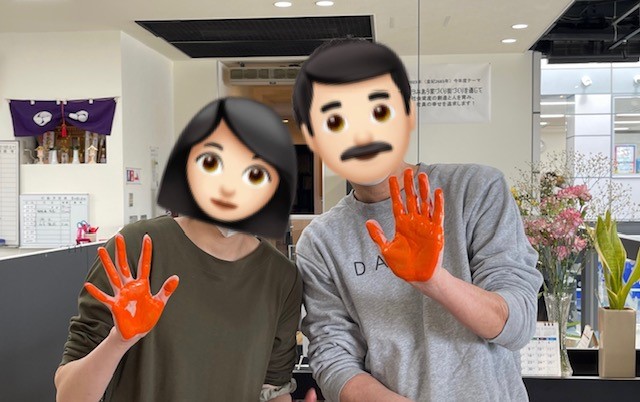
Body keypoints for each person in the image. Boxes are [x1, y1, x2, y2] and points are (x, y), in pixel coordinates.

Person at [292, 39, 543, 402]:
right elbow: (333, 357)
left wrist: (434, 280)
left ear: (408, 114)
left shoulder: (474, 190)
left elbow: (517, 325)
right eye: (335, 121)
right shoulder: (321, 241)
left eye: (378, 112)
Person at [55, 97, 316, 402]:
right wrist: (118, 341)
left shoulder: (281, 277)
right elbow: (69, 395)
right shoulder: (138, 248)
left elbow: (273, 389)